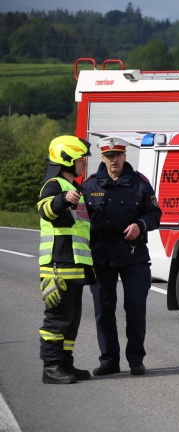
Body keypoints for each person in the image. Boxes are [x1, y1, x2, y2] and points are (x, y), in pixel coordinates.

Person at [83, 136, 162, 376]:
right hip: (101, 256)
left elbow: (155, 214)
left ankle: (136, 359)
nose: (113, 159)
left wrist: (140, 224)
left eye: (117, 155)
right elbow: (78, 219)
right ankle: (109, 361)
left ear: (125, 156)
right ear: (102, 158)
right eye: (108, 156)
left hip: (133, 255)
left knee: (135, 307)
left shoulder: (139, 183)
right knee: (104, 309)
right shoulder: (90, 185)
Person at [38, 135, 95, 384]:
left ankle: (65, 364)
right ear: (68, 159)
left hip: (75, 267)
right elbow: (45, 209)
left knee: (71, 320)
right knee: (57, 319)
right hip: (57, 267)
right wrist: (62, 200)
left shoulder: (75, 188)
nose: (84, 163)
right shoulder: (54, 185)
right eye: (81, 158)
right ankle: (51, 368)